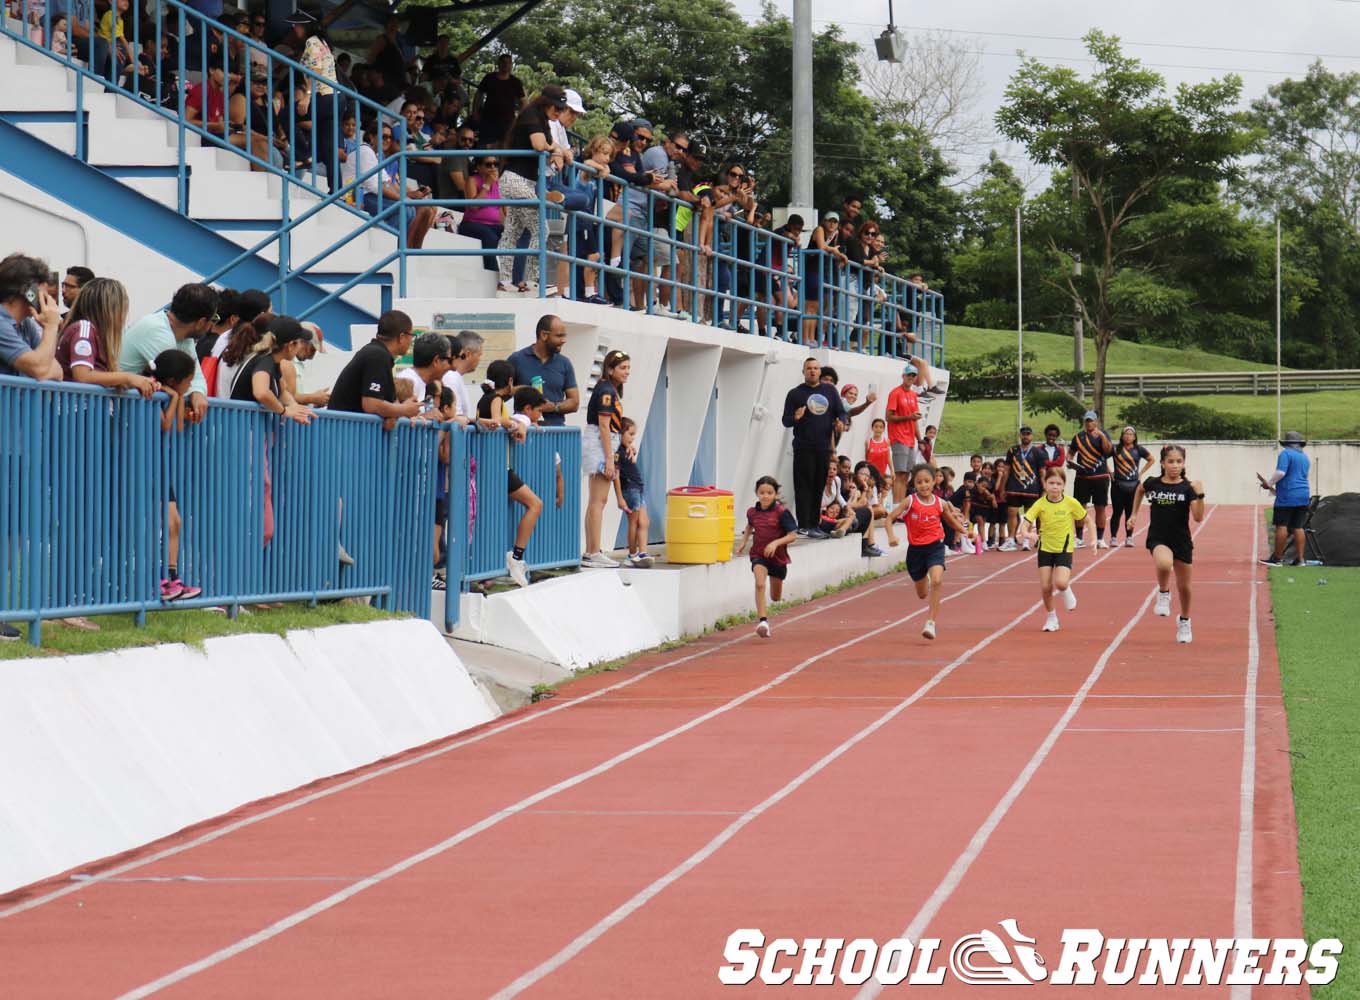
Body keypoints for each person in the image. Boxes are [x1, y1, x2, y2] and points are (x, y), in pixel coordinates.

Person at [887, 463, 972, 641]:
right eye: (919, 482)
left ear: (934, 482)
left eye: (927, 481)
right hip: (916, 551)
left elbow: (950, 521)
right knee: (922, 594)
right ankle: (923, 577)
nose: (923, 485)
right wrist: (891, 536)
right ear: (914, 484)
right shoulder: (910, 501)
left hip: (935, 547)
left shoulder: (940, 503)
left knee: (937, 580)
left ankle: (931, 623)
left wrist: (966, 531)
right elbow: (889, 518)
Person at [1131, 444, 1206, 644]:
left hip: (1181, 540)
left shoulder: (1187, 488)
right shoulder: (1153, 483)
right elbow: (1139, 490)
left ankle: (1184, 621)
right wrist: (1134, 514)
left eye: (1179, 461)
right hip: (1159, 537)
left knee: (1185, 587)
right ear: (1163, 463)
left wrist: (1200, 495)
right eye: (1170, 461)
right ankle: (1164, 592)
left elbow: (1198, 517)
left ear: (1184, 464)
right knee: (1164, 564)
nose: (1175, 465)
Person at [476, 371, 544, 588]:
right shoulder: (496, 399)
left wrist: (517, 423)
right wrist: (518, 425)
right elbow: (500, 421)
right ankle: (515, 557)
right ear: (509, 382)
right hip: (498, 467)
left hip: (491, 466)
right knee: (535, 504)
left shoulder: (485, 398)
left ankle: (490, 568)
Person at [149, 349, 203, 604]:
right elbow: (166, 424)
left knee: (175, 521)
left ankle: (172, 577)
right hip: (147, 463)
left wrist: (179, 399)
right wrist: (172, 398)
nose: (190, 386)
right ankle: (157, 579)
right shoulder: (154, 391)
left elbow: (179, 426)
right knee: (159, 522)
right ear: (173, 380)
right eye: (188, 381)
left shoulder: (173, 394)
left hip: (158, 464)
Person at [119, 283, 217, 421]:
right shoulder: (156, 331)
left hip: (127, 411)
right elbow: (179, 382)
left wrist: (198, 392)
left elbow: (195, 377)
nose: (212, 325)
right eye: (213, 319)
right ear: (201, 322)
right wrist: (195, 393)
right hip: (114, 412)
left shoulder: (183, 336)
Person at [54, 277, 154, 395]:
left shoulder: (96, 334)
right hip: (75, 405)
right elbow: (82, 376)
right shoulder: (84, 328)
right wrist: (127, 377)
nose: (122, 316)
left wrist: (142, 382)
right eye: (121, 309)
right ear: (109, 309)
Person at [782, 356, 847, 538]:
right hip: (803, 447)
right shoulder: (795, 394)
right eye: (809, 368)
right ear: (803, 371)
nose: (812, 371)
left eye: (816, 368)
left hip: (823, 447)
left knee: (818, 486)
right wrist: (795, 417)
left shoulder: (830, 391)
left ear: (820, 371)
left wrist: (841, 422)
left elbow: (841, 412)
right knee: (804, 486)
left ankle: (813, 525)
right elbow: (785, 421)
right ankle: (803, 525)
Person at [1020, 467, 1087, 632]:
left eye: (1058, 483)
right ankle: (1052, 618)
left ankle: (1065, 589)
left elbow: (1088, 520)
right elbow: (1025, 523)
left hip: (1064, 548)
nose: (1055, 487)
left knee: (1061, 583)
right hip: (1045, 548)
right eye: (1051, 483)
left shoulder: (1070, 502)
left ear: (1064, 485)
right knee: (1045, 587)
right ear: (1045, 484)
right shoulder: (1040, 503)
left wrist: (1093, 539)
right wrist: (1027, 534)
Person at [328, 310, 423, 427]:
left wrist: (394, 414)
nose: (411, 341)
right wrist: (404, 410)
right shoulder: (377, 356)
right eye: (411, 336)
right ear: (402, 337)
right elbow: (371, 404)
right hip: (345, 432)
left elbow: (388, 407)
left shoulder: (376, 354)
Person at [582, 349, 630, 568]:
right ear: (610, 370)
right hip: (600, 444)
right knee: (598, 501)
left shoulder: (609, 389)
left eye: (628, 368)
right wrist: (610, 459)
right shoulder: (606, 390)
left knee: (597, 501)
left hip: (604, 442)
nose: (626, 372)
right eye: (622, 368)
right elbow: (603, 425)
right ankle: (593, 552)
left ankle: (592, 550)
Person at [736, 475, 799, 639]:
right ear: (757, 493)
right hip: (759, 555)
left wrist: (775, 543)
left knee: (775, 597)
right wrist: (743, 542)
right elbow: (749, 526)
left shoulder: (782, 512)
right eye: (762, 492)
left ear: (775, 494)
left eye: (769, 493)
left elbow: (793, 535)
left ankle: (772, 599)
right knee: (759, 584)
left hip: (778, 558)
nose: (765, 496)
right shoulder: (752, 512)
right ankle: (763, 622)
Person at [0, 253, 63, 380]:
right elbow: (39, 368)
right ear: (29, 291)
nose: (47, 297)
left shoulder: (26, 324)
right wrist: (51, 327)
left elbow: (58, 372)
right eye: (43, 291)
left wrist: (42, 370)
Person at [508, 314, 578, 426]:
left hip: (555, 432)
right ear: (543, 335)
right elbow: (498, 394)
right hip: (525, 430)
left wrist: (554, 407)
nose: (563, 340)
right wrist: (519, 390)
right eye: (559, 336)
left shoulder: (565, 363)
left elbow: (574, 403)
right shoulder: (517, 359)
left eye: (564, 336)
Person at [1260, 431, 1312, 567]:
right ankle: (1300, 559)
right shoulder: (1304, 457)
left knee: (1281, 525)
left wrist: (1269, 483)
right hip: (1303, 494)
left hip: (1288, 495)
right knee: (1298, 526)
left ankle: (1277, 559)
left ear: (1286, 443)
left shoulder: (1286, 454)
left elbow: (1281, 472)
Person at [884, 357, 931, 503]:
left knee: (906, 475)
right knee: (900, 474)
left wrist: (920, 440)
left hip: (910, 439)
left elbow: (914, 420)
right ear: (903, 376)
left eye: (913, 376)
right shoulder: (895, 393)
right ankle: (896, 505)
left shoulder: (912, 395)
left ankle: (900, 505)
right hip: (898, 437)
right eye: (908, 375)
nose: (911, 378)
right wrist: (909, 417)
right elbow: (888, 417)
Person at [1068, 409, 1114, 548]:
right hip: (1082, 477)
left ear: (1096, 422)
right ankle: (1079, 538)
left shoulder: (1103, 434)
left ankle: (1100, 539)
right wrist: (1069, 461)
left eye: (1091, 420)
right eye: (1087, 421)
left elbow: (1108, 451)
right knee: (1080, 507)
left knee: (1100, 507)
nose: (1089, 423)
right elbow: (1071, 452)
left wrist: (1102, 435)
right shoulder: (1078, 437)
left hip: (1100, 476)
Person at [614, 417, 653, 566]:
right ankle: (632, 554)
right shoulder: (617, 452)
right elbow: (616, 475)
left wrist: (630, 448)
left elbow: (631, 463)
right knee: (634, 522)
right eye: (630, 434)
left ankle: (642, 553)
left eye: (634, 435)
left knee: (644, 521)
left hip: (638, 488)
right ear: (620, 433)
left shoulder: (627, 450)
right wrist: (619, 497)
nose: (632, 438)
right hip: (630, 489)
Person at [1109, 425, 1153, 548]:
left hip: (1134, 485)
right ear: (1122, 436)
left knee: (1130, 512)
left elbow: (1151, 459)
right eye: (1126, 434)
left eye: (1131, 434)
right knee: (1117, 512)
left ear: (1134, 437)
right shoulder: (1115, 449)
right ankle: (1113, 537)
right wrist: (1109, 472)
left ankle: (1129, 537)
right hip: (1118, 484)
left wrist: (1141, 472)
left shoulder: (1139, 449)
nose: (1128, 436)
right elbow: (1102, 458)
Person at [1001, 426, 1044, 551]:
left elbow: (1042, 472)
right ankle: (1011, 539)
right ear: (1020, 435)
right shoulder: (1012, 450)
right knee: (1011, 513)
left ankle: (1026, 540)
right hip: (1014, 487)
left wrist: (1044, 489)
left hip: (1032, 488)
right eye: (1023, 434)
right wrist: (1003, 487)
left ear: (1032, 436)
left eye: (1028, 434)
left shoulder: (1038, 452)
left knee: (1029, 515)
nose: (1025, 436)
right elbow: (1006, 470)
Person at [865, 417, 891, 483]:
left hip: (882, 473)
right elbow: (866, 458)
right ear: (872, 428)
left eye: (881, 427)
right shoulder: (868, 442)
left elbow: (889, 458)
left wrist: (892, 471)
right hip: (871, 474)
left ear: (883, 429)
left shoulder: (887, 441)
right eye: (876, 427)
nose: (878, 429)